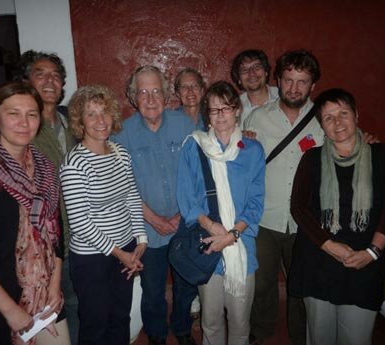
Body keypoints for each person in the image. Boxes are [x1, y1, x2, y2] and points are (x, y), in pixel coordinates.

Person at [0, 81, 70, 345]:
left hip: (45, 298)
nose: (24, 122)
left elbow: (56, 233)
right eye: (13, 113)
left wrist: (54, 286)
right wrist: (10, 310)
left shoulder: (45, 169)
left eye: (32, 114)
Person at [288, 88, 385, 345]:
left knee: (356, 338)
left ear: (356, 115)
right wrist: (331, 246)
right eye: (328, 118)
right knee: (320, 338)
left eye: (343, 113)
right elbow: (299, 208)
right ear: (322, 126)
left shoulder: (384, 156)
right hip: (318, 261)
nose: (337, 122)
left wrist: (372, 252)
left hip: (364, 264)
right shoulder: (312, 158)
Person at [112, 65, 198, 345]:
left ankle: (183, 328)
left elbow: (197, 171)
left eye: (156, 91)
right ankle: (157, 335)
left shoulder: (185, 124)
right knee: (153, 288)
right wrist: (152, 218)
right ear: (133, 97)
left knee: (186, 284)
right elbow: (123, 184)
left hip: (184, 223)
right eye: (143, 92)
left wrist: (181, 213)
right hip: (147, 230)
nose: (150, 98)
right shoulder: (121, 134)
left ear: (166, 95)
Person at [177, 81, 265, 345]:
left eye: (226, 108)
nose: (220, 115)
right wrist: (212, 227)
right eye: (214, 110)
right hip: (209, 246)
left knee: (240, 324)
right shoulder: (194, 146)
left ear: (237, 110)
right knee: (211, 322)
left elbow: (256, 202)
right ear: (207, 115)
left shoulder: (253, 150)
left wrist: (232, 234)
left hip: (242, 247)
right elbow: (187, 197)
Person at [244, 49, 323, 345]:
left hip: (306, 220)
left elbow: (347, 141)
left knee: (300, 284)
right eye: (288, 80)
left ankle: (300, 335)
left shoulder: (322, 118)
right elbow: (242, 162)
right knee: (263, 282)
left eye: (302, 81)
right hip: (263, 216)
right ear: (278, 80)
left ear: (312, 85)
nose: (294, 88)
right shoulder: (257, 117)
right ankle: (261, 330)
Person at [59, 85, 147, 345]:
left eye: (105, 112)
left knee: (120, 317)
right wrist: (122, 254)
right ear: (79, 121)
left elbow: (131, 196)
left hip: (126, 249)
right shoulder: (74, 164)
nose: (100, 120)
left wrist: (141, 240)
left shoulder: (120, 153)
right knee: (95, 323)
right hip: (92, 259)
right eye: (91, 114)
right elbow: (80, 223)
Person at [15, 50, 78, 344]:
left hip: (84, 237)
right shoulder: (20, 128)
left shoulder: (73, 120)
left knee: (84, 305)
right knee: (56, 312)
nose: (50, 80)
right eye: (41, 74)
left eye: (55, 75)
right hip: (49, 244)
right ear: (27, 80)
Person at [230, 49, 278, 126]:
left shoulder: (282, 97)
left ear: (266, 71)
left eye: (256, 67)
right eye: (245, 70)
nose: (251, 73)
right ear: (239, 79)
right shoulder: (234, 109)